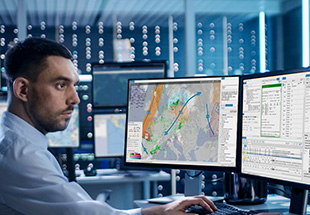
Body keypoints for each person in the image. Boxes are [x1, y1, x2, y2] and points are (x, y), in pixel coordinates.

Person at [0, 37, 217, 215]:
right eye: (60, 85)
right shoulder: (20, 154)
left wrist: (160, 211)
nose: (75, 99)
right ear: (23, 90)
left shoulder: (17, 142)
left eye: (73, 86)